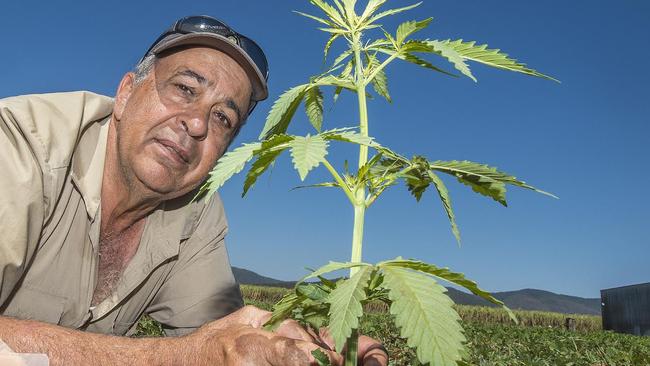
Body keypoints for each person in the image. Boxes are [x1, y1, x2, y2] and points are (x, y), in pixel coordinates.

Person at [0, 15, 388, 365]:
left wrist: (297, 344)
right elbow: (197, 352)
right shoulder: (21, 144)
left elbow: (223, 336)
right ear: (125, 92)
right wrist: (173, 356)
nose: (198, 123)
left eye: (223, 118)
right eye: (185, 89)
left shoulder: (198, 212)